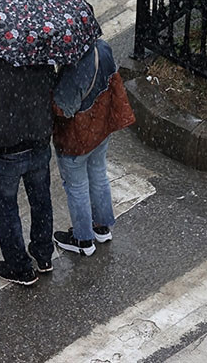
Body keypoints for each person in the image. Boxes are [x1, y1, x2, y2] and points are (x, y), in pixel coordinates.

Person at [0, 53, 58, 286]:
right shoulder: (42, 61)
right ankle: (43, 255)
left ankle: (19, 267)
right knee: (41, 200)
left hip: (4, 151)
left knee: (5, 209)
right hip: (38, 144)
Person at [51, 39, 136, 256]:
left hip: (76, 138)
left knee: (77, 186)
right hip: (100, 129)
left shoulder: (75, 67)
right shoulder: (103, 48)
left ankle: (83, 240)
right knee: (98, 175)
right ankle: (102, 227)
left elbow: (65, 108)